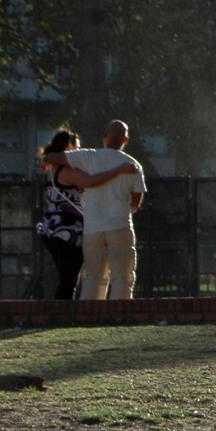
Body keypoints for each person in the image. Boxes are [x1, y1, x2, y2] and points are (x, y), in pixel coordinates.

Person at [44, 119, 147, 300]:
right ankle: (119, 313)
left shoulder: (88, 157)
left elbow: (54, 158)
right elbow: (137, 200)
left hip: (92, 228)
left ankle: (90, 316)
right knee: (122, 276)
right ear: (126, 140)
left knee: (93, 277)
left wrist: (47, 161)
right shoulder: (133, 166)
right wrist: (127, 209)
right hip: (119, 225)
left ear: (104, 137)